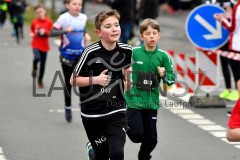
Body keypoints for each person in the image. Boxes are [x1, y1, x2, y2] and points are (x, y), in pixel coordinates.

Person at [70, 9, 132, 160]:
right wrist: (96, 80)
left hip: (117, 110)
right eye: (108, 26)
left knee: (117, 153)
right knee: (102, 156)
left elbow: (127, 68)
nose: (114, 29)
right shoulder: (90, 52)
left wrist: (128, 80)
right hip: (92, 113)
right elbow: (73, 80)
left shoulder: (126, 50)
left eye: (116, 25)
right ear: (98, 32)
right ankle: (93, 152)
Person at [125, 18, 175, 160]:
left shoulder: (163, 56)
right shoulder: (133, 52)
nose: (151, 36)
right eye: (148, 33)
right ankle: (122, 123)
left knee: (151, 140)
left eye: (154, 33)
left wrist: (164, 74)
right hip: (133, 101)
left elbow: (171, 79)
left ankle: (143, 156)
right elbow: (117, 66)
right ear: (142, 36)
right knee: (136, 135)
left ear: (159, 35)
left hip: (151, 103)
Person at [50, 0, 90, 123]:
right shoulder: (63, 18)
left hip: (81, 54)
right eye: (74, 4)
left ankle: (83, 104)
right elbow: (52, 32)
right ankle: (68, 106)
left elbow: (83, 30)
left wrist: (86, 34)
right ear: (67, 5)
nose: (77, 6)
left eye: (79, 4)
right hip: (67, 55)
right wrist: (65, 31)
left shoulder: (83, 17)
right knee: (69, 82)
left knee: (83, 80)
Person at [214, 0, 240, 101]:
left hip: (235, 45)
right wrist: (228, 17)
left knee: (238, 75)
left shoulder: (236, 6)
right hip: (230, 44)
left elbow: (232, 27)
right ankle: (230, 90)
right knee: (225, 64)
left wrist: (222, 19)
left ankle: (237, 99)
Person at [30, 4, 53, 89]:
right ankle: (34, 67)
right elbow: (32, 30)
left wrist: (45, 32)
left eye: (41, 12)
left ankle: (40, 80)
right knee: (37, 58)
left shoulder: (49, 22)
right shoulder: (34, 22)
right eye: (37, 12)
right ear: (36, 14)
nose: (39, 14)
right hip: (35, 44)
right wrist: (32, 33)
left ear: (45, 11)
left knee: (43, 65)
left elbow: (51, 33)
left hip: (44, 46)